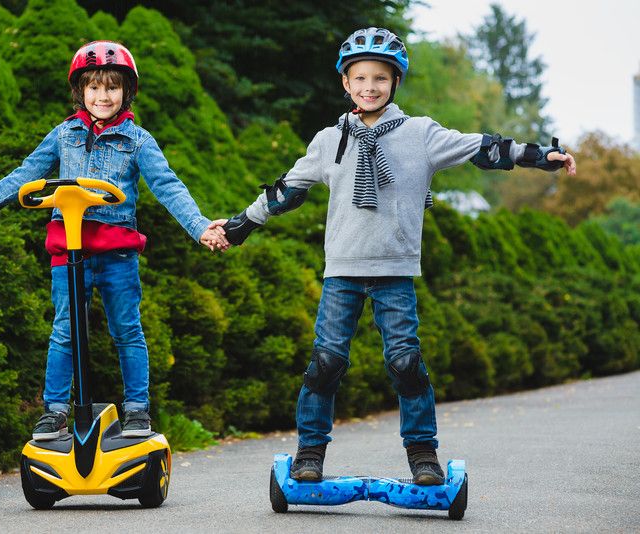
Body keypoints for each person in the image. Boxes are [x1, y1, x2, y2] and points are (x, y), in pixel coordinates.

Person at [219, 27, 576, 485]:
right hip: (342, 273)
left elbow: (483, 147)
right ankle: (310, 451)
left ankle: (423, 454)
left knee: (405, 362)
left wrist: (541, 155)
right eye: (361, 78)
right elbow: (288, 190)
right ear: (346, 83)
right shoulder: (330, 140)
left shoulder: (420, 134)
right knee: (326, 362)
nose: (370, 87)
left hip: (395, 273)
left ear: (395, 84)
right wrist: (240, 225)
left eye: (381, 79)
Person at [0, 41, 229, 440]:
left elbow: (168, 187)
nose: (102, 96)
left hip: (116, 254)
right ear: (80, 91)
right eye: (94, 87)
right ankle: (55, 411)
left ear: (125, 92)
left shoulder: (138, 141)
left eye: (111, 88)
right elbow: (24, 174)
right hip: (69, 251)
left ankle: (136, 410)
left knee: (127, 329)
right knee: (65, 329)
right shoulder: (64, 135)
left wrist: (200, 226)